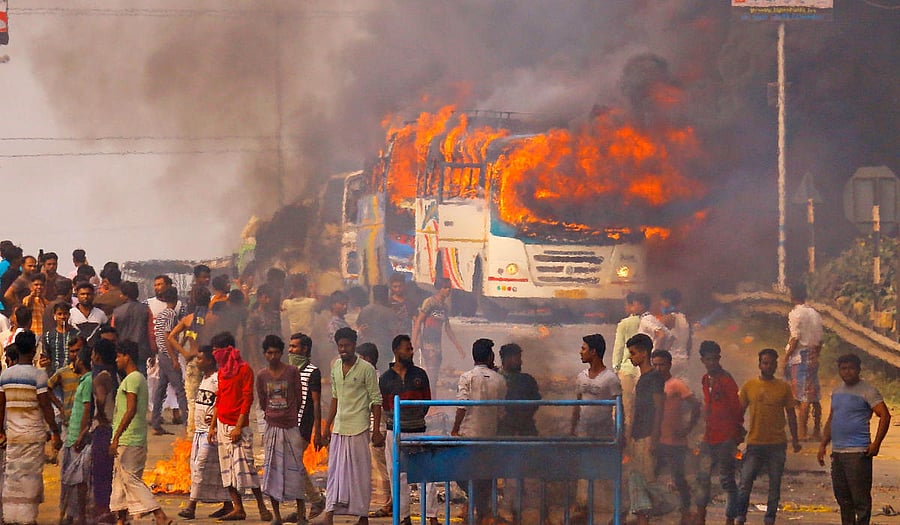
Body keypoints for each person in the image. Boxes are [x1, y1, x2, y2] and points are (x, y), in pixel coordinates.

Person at [817, 354, 892, 525]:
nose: (847, 372)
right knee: (843, 498)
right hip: (838, 453)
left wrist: (876, 444)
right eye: (843, 368)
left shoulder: (868, 391)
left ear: (858, 369)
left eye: (851, 368)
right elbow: (831, 419)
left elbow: (885, 416)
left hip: (858, 453)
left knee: (860, 500)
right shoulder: (836, 392)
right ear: (839, 371)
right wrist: (823, 445)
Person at [321, 327, 384, 525]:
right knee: (335, 473)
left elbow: (376, 400)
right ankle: (329, 514)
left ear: (354, 346)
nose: (343, 349)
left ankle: (362, 516)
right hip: (339, 427)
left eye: (347, 345)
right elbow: (335, 398)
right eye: (340, 346)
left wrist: (375, 431)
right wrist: (327, 426)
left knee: (360, 473)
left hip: (359, 428)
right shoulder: (335, 368)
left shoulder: (367, 369)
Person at [0, 330, 63, 524]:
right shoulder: (38, 376)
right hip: (33, 435)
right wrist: (55, 432)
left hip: (13, 436)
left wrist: (1, 432)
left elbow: (1, 405)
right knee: (31, 477)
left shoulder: (5, 375)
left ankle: (11, 517)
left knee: (13, 476)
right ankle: (27, 518)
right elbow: (45, 406)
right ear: (34, 350)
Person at [210, 331, 272, 522]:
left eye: (216, 351)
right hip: (221, 425)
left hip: (239, 427)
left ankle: (262, 507)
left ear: (226, 350)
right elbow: (219, 398)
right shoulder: (221, 372)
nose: (214, 354)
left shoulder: (245, 370)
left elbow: (247, 399)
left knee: (247, 468)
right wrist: (212, 426)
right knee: (226, 468)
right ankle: (238, 508)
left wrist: (238, 427)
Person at [735, 348, 802, 525]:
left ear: (775, 365)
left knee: (775, 485)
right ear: (760, 365)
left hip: (777, 444)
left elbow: (791, 415)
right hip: (755, 442)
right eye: (765, 362)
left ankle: (769, 518)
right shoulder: (749, 386)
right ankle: (740, 516)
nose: (768, 366)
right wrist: (736, 434)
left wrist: (795, 440)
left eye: (772, 363)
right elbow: (738, 412)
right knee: (745, 481)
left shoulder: (784, 388)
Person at [108, 338, 170, 525]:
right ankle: (121, 520)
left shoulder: (133, 379)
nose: (116, 360)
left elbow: (131, 409)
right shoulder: (134, 379)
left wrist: (116, 437)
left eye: (119, 356)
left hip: (129, 439)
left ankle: (160, 515)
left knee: (131, 480)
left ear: (127, 357)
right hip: (131, 439)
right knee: (120, 481)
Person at [380, 334, 438, 525]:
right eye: (408, 348)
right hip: (394, 432)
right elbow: (386, 407)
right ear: (396, 351)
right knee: (398, 475)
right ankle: (404, 517)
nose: (411, 352)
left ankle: (431, 516)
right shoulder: (386, 378)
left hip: (418, 430)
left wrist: (413, 415)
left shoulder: (420, 375)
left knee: (426, 475)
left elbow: (426, 402)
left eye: (411, 348)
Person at [256, 334, 313, 525]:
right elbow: (263, 401)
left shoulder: (292, 372)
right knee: (272, 472)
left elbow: (299, 398)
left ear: (281, 353)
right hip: (272, 428)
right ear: (265, 354)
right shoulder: (262, 375)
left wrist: (289, 416)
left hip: (291, 428)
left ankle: (300, 514)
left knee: (295, 471)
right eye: (269, 353)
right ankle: (277, 516)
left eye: (276, 352)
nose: (273, 356)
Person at [451, 338, 507, 524]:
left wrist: (455, 429)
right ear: (490, 356)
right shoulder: (500, 380)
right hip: (489, 437)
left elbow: (462, 406)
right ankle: (482, 511)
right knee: (485, 476)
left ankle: (476, 508)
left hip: (468, 436)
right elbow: (501, 412)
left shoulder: (466, 377)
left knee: (463, 474)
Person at [179, 345, 232, 520]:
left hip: (212, 433)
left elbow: (224, 400)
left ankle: (191, 506)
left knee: (200, 468)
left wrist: (215, 421)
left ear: (210, 361)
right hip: (199, 432)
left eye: (200, 358)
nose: (197, 361)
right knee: (210, 470)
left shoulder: (218, 379)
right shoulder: (204, 378)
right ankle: (228, 504)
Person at [695, 341, 743, 525]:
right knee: (702, 479)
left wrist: (736, 433)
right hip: (709, 437)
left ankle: (730, 519)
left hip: (725, 438)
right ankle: (700, 518)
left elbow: (736, 408)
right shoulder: (705, 380)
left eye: (715, 359)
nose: (713, 362)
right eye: (709, 359)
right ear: (703, 360)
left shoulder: (726, 380)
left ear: (719, 358)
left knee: (727, 480)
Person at [651, 349, 700, 525]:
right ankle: (652, 510)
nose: (658, 368)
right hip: (657, 439)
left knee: (678, 477)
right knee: (651, 475)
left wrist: (687, 428)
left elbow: (696, 405)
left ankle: (686, 511)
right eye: (655, 365)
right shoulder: (651, 385)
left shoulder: (676, 384)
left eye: (661, 364)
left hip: (675, 441)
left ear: (669, 365)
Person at [282, 332, 325, 522]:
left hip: (303, 426)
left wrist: (317, 431)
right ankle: (302, 509)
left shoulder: (313, 372)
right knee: (293, 467)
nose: (290, 350)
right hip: (287, 424)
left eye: (294, 347)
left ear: (305, 349)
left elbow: (316, 403)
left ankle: (316, 500)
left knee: (295, 465)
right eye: (290, 346)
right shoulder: (288, 370)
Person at [625, 333, 664, 525]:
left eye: (633, 353)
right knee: (637, 483)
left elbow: (659, 408)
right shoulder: (642, 379)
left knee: (645, 485)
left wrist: (654, 439)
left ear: (643, 353)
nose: (630, 357)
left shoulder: (654, 378)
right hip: (638, 437)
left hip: (647, 437)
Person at [785, 283, 824, 441]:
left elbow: (795, 338)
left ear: (792, 296)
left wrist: (785, 358)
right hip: (813, 353)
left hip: (800, 357)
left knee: (802, 397)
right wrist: (817, 354)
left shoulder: (796, 314)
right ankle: (816, 429)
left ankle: (802, 432)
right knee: (814, 395)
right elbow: (820, 339)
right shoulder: (815, 313)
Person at [59, 346, 93, 525]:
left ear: (82, 361)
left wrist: (81, 434)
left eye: (77, 358)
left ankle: (80, 517)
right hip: (72, 436)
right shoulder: (83, 380)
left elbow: (87, 409)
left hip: (77, 439)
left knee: (79, 481)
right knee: (70, 480)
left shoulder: (88, 381)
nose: (74, 361)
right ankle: (71, 516)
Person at [412, 278, 464, 390]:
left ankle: (432, 400)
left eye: (449, 288)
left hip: (437, 343)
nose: (448, 290)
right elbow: (418, 322)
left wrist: (458, 346)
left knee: (435, 374)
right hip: (427, 342)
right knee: (432, 372)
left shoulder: (445, 307)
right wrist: (414, 341)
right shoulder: (429, 302)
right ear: (438, 289)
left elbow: (448, 328)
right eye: (445, 288)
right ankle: (431, 401)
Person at [150, 286, 188, 435]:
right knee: (180, 389)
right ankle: (187, 422)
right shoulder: (171, 314)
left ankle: (155, 421)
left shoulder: (161, 314)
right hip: (168, 354)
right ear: (176, 299)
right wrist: (174, 358)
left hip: (161, 354)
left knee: (161, 389)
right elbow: (167, 336)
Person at [92, 339, 119, 523]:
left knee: (100, 472)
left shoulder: (102, 377)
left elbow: (100, 399)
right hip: (112, 427)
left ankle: (103, 510)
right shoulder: (115, 375)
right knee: (108, 473)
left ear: (98, 355)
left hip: (103, 429)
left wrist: (100, 415)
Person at [612, 293, 641, 434]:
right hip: (643, 371)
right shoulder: (652, 321)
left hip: (627, 370)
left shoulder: (624, 324)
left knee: (623, 408)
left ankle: (622, 443)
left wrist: (616, 368)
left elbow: (618, 348)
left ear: (632, 305)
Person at [111, 281, 152, 376]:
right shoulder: (146, 309)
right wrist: (152, 350)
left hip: (123, 353)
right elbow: (150, 333)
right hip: (141, 351)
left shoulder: (117, 312)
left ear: (125, 295)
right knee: (141, 379)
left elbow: (113, 332)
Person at [357, 285, 397, 375]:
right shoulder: (389, 312)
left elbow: (359, 326)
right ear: (386, 295)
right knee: (383, 376)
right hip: (383, 350)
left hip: (365, 349)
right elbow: (394, 332)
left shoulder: (364, 310)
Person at [43, 302, 78, 375]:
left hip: (73, 374)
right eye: (59, 314)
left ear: (69, 315)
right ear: (54, 316)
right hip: (54, 375)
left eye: (65, 314)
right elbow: (46, 356)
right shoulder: (48, 336)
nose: (62, 317)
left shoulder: (77, 334)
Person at [659, 288, 691, 366]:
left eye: (662, 300)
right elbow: (689, 341)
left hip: (670, 358)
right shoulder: (684, 318)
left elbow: (661, 337)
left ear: (668, 301)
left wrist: (658, 355)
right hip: (683, 359)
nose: (660, 303)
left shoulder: (667, 318)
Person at [281, 274, 317, 340]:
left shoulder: (287, 303)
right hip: (308, 340)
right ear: (305, 288)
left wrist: (292, 293)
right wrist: (312, 290)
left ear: (293, 289)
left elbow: (282, 309)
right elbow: (314, 299)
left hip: (293, 339)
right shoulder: (311, 302)